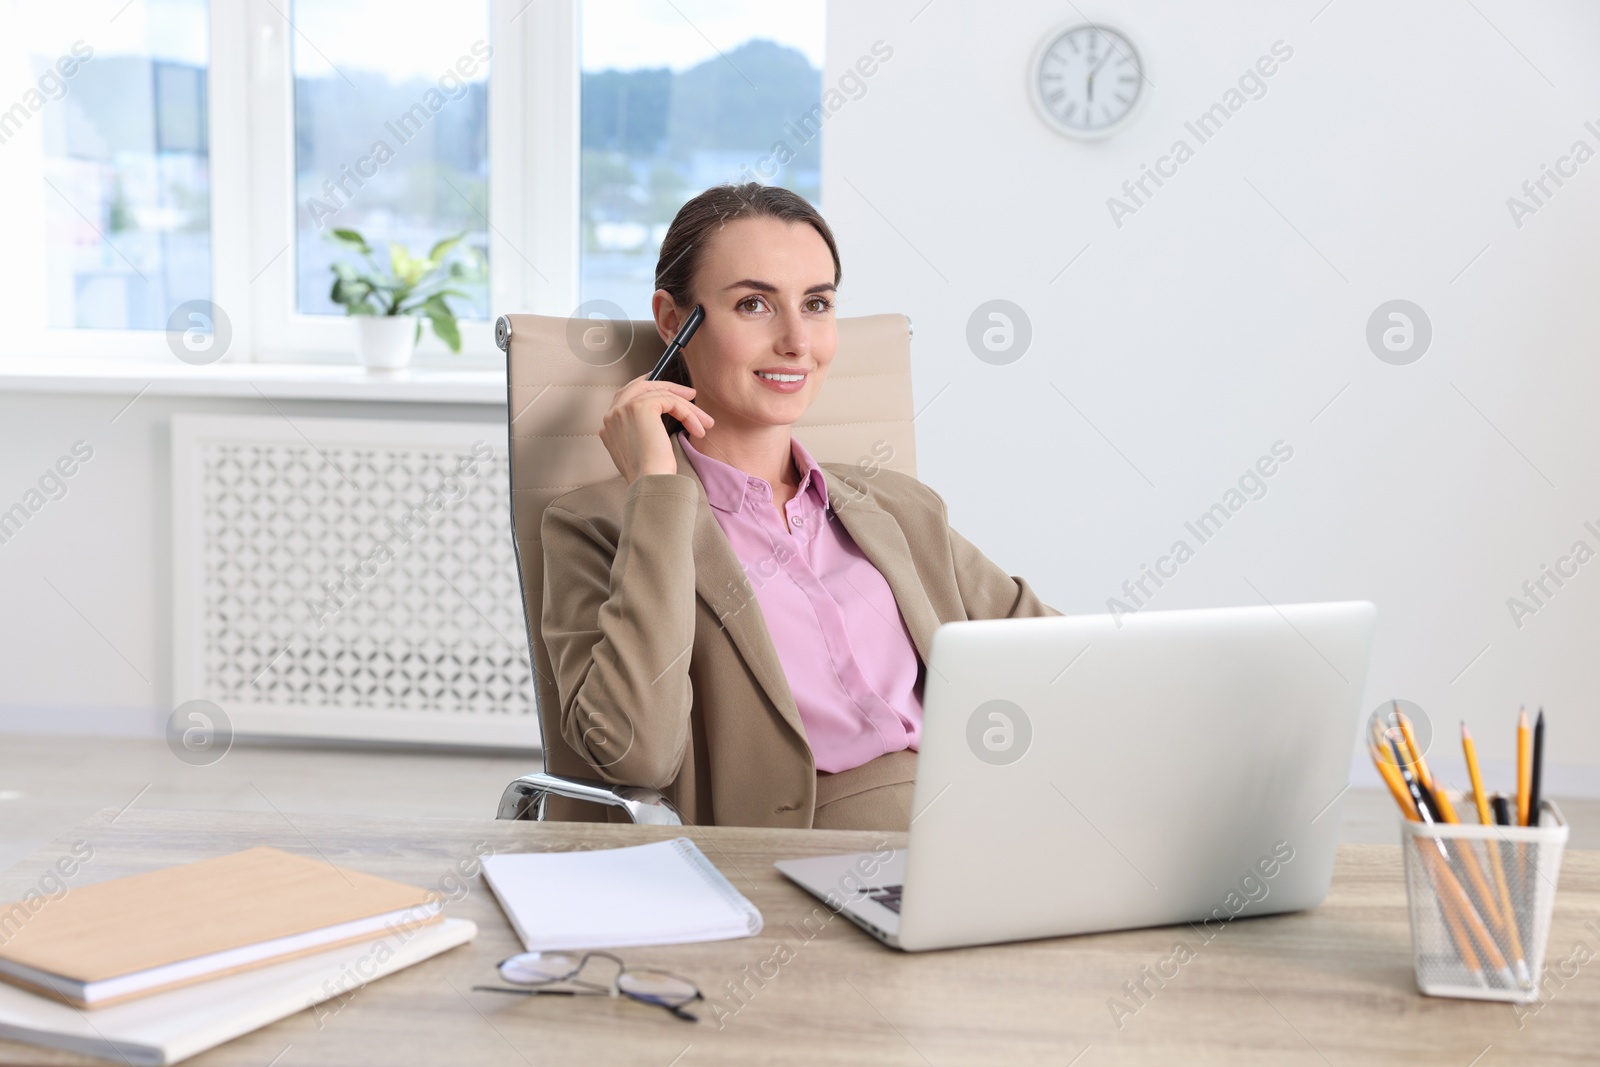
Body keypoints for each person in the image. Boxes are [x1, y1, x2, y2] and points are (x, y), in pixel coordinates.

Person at [541, 182, 1059, 830]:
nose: (795, 340)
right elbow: (634, 753)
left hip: (984, 818)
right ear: (673, 321)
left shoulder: (899, 507)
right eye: (754, 303)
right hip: (807, 862)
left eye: (816, 304)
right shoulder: (601, 526)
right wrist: (657, 489)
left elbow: (1060, 658)